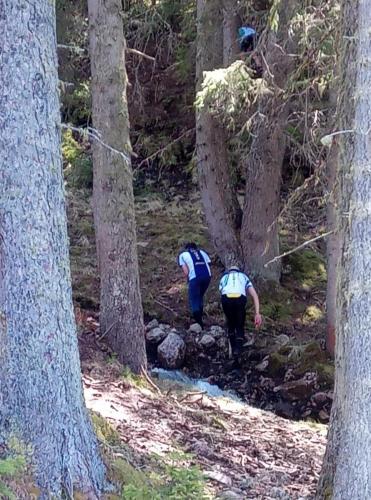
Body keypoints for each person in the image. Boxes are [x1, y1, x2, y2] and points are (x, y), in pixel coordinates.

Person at [219, 266, 262, 357]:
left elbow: (221, 291)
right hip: (240, 299)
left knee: (230, 324)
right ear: (238, 271)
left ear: (229, 271)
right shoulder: (244, 276)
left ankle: (233, 348)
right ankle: (238, 350)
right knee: (239, 325)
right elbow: (254, 295)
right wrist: (257, 313)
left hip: (226, 299)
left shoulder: (224, 277)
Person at [178, 242, 211, 328]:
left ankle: (199, 324)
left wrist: (188, 279)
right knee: (200, 296)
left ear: (186, 248)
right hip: (207, 276)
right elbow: (208, 263)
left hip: (195, 277)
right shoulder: (202, 252)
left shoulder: (183, 255)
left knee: (193, 299)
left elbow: (186, 272)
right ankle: (200, 318)